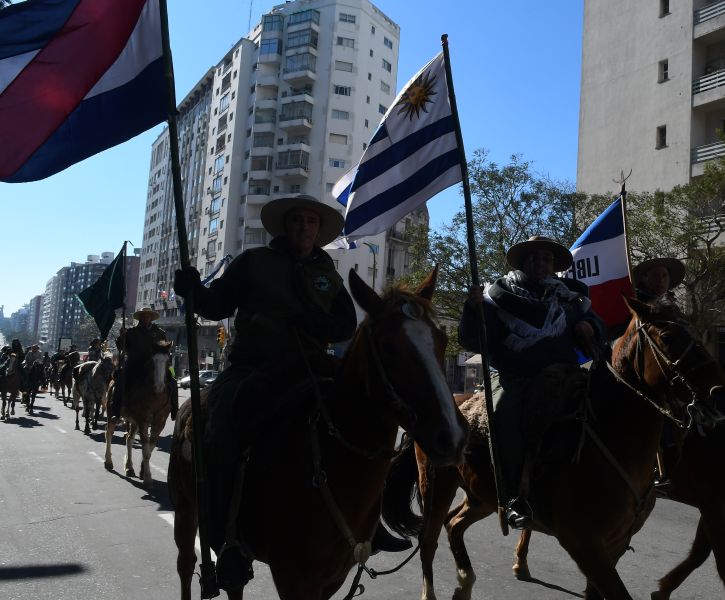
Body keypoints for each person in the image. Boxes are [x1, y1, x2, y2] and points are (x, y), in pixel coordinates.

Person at [174, 194, 404, 591]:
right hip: (253, 367)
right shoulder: (253, 262)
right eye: (298, 220)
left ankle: (371, 520)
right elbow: (215, 305)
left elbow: (345, 324)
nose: (304, 227)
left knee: (365, 424)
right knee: (222, 423)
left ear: (318, 229)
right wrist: (193, 290)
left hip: (310, 367)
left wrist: (322, 323)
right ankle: (227, 538)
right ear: (286, 226)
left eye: (311, 221)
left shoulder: (326, 271)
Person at [458, 235, 607, 530]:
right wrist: (472, 310)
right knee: (502, 412)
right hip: (516, 376)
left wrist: (590, 325)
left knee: (607, 402)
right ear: (524, 262)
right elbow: (472, 339)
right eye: (536, 257)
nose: (542, 263)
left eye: (547, 259)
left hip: (564, 373)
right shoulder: (495, 295)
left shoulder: (569, 296)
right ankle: (512, 496)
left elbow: (597, 324)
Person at [631, 257, 687, 491]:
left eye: (664, 276)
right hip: (641, 371)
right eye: (656, 276)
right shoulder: (636, 303)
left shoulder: (671, 305)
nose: (661, 281)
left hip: (672, 368)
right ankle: (653, 468)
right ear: (644, 279)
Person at [111, 308, 178, 421]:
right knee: (120, 380)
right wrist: (122, 336)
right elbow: (121, 347)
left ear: (151, 318)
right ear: (140, 318)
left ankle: (174, 410)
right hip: (134, 365)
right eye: (143, 316)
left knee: (172, 382)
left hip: (153, 366)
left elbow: (164, 349)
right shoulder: (131, 332)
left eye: (148, 316)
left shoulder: (160, 333)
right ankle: (116, 411)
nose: (146, 318)